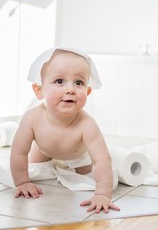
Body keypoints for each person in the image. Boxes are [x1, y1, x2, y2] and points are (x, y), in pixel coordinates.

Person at [10, 47, 120, 213]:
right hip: (43, 150)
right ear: (39, 90)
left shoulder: (87, 124)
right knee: (35, 168)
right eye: (59, 81)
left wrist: (103, 194)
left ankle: (77, 167)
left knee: (83, 177)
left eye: (79, 82)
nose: (70, 89)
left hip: (77, 157)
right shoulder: (32, 118)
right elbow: (19, 152)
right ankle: (41, 166)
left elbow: (103, 160)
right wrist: (22, 182)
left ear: (88, 92)